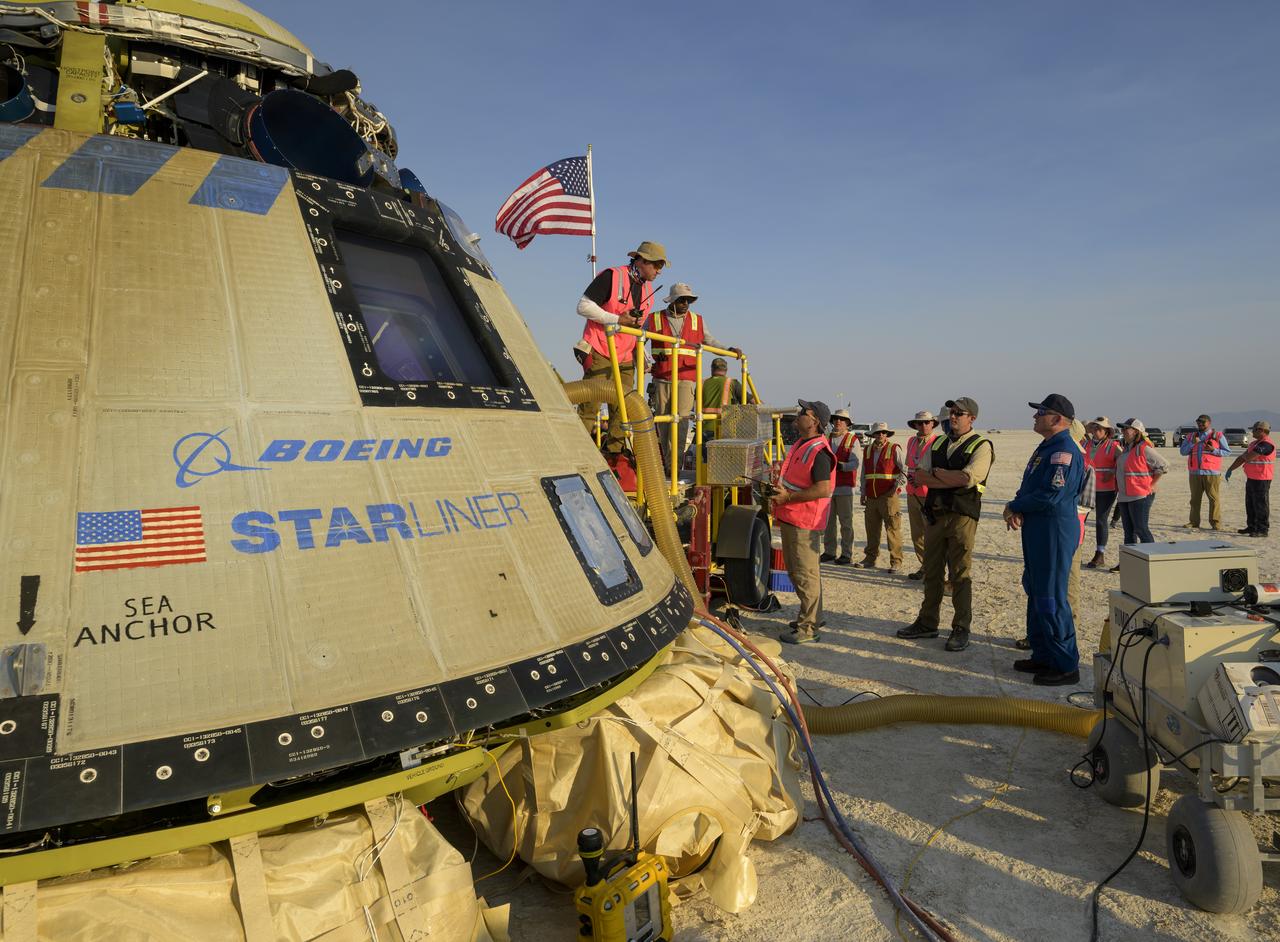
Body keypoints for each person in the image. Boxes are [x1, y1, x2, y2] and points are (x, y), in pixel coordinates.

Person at [897, 397, 994, 652]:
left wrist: (936, 475)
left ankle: (961, 627)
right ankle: (928, 622)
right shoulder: (938, 441)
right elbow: (918, 475)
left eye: (959, 413)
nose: (952, 417)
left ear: (972, 417)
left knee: (960, 574)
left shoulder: (981, 445)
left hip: (962, 516)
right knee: (932, 571)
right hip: (936, 515)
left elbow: (968, 478)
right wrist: (944, 477)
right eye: (951, 412)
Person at [1003, 395, 1087, 686]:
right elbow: (1031, 485)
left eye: (1041, 412)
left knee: (1051, 596)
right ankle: (1044, 653)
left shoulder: (1064, 451)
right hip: (1038, 529)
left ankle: (1065, 664)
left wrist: (1017, 506)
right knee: (1036, 589)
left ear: (1057, 419)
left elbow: (1052, 494)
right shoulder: (1046, 448)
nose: (1035, 416)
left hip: (1053, 531)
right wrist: (1018, 504)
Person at [575, 242, 666, 455]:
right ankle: (577, 453)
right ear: (642, 261)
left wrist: (641, 357)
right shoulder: (612, 276)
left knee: (622, 409)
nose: (659, 271)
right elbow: (582, 306)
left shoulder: (649, 290)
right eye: (656, 265)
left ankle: (615, 455)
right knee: (590, 406)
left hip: (625, 356)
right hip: (600, 349)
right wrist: (616, 319)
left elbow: (636, 329)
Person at [649, 283, 739, 461]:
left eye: (689, 300)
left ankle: (675, 464)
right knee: (663, 421)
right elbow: (636, 339)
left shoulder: (697, 320)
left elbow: (710, 341)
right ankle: (666, 463)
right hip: (662, 378)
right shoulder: (654, 318)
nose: (686, 303)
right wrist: (643, 362)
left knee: (682, 422)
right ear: (673, 300)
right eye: (682, 300)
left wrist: (728, 349)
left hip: (686, 378)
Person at [771, 400, 835, 644]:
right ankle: (812, 617)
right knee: (801, 572)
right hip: (792, 515)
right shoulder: (802, 444)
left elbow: (822, 489)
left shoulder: (819, 451)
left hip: (805, 520)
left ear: (815, 421)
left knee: (805, 574)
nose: (798, 416)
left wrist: (789, 497)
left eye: (803, 413)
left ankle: (808, 628)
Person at [1111, 418, 1169, 566]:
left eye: (1126, 429)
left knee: (1141, 529)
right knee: (1129, 532)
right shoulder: (1127, 448)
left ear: (1136, 431)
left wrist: (1152, 484)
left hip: (1140, 495)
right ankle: (1129, 563)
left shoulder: (1144, 448)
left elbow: (1163, 466)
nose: (1123, 431)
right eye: (1123, 429)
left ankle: (1153, 561)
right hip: (1124, 495)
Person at [855, 422, 905, 573]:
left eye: (883, 433)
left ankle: (896, 561)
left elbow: (905, 470)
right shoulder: (868, 450)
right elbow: (864, 473)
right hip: (871, 496)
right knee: (871, 529)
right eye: (878, 433)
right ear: (873, 435)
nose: (881, 435)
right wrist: (863, 492)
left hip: (889, 496)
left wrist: (896, 488)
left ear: (887, 435)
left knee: (892, 528)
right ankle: (870, 558)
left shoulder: (894, 449)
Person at [1179, 413, 1231, 530]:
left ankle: (1215, 523)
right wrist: (1193, 443)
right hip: (1195, 473)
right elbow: (1182, 452)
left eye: (1203, 422)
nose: (1200, 424)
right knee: (1194, 500)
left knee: (1214, 499)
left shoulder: (1217, 436)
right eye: (1198, 422)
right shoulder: (1191, 436)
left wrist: (1214, 450)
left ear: (1209, 423)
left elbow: (1227, 452)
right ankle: (1194, 522)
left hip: (1212, 473)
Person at [904, 411, 940, 580]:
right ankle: (925, 567)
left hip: (930, 494)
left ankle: (934, 570)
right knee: (916, 534)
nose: (924, 425)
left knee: (932, 534)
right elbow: (909, 465)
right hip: (912, 493)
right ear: (915, 425)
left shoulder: (938, 442)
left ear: (933, 424)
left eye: (927, 422)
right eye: (920, 423)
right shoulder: (911, 441)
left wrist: (923, 480)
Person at [822, 409, 860, 565]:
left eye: (842, 420)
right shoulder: (827, 438)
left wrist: (840, 466)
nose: (838, 422)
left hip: (845, 488)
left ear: (847, 424)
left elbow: (855, 463)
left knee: (845, 523)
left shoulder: (853, 440)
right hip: (828, 488)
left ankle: (846, 553)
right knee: (828, 523)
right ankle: (830, 552)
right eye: (836, 419)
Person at [1082, 417, 1120, 568]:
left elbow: (1124, 462)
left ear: (1106, 432)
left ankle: (1100, 554)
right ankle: (1075, 550)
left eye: (1099, 429)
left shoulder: (1114, 446)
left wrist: (1112, 471)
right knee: (1080, 520)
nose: (1095, 431)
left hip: (1106, 490)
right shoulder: (1085, 443)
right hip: (1086, 488)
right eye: (1094, 428)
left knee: (1100, 521)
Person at [1225, 420, 1274, 537]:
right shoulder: (1254, 444)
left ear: (1261, 430)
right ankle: (1251, 526)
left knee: (1261, 504)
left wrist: (1245, 456)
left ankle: (1262, 529)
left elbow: (1249, 457)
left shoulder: (1267, 444)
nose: (1251, 431)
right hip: (1251, 478)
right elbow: (1243, 457)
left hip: (1262, 479)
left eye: (1254, 429)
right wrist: (1231, 468)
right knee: (1250, 503)